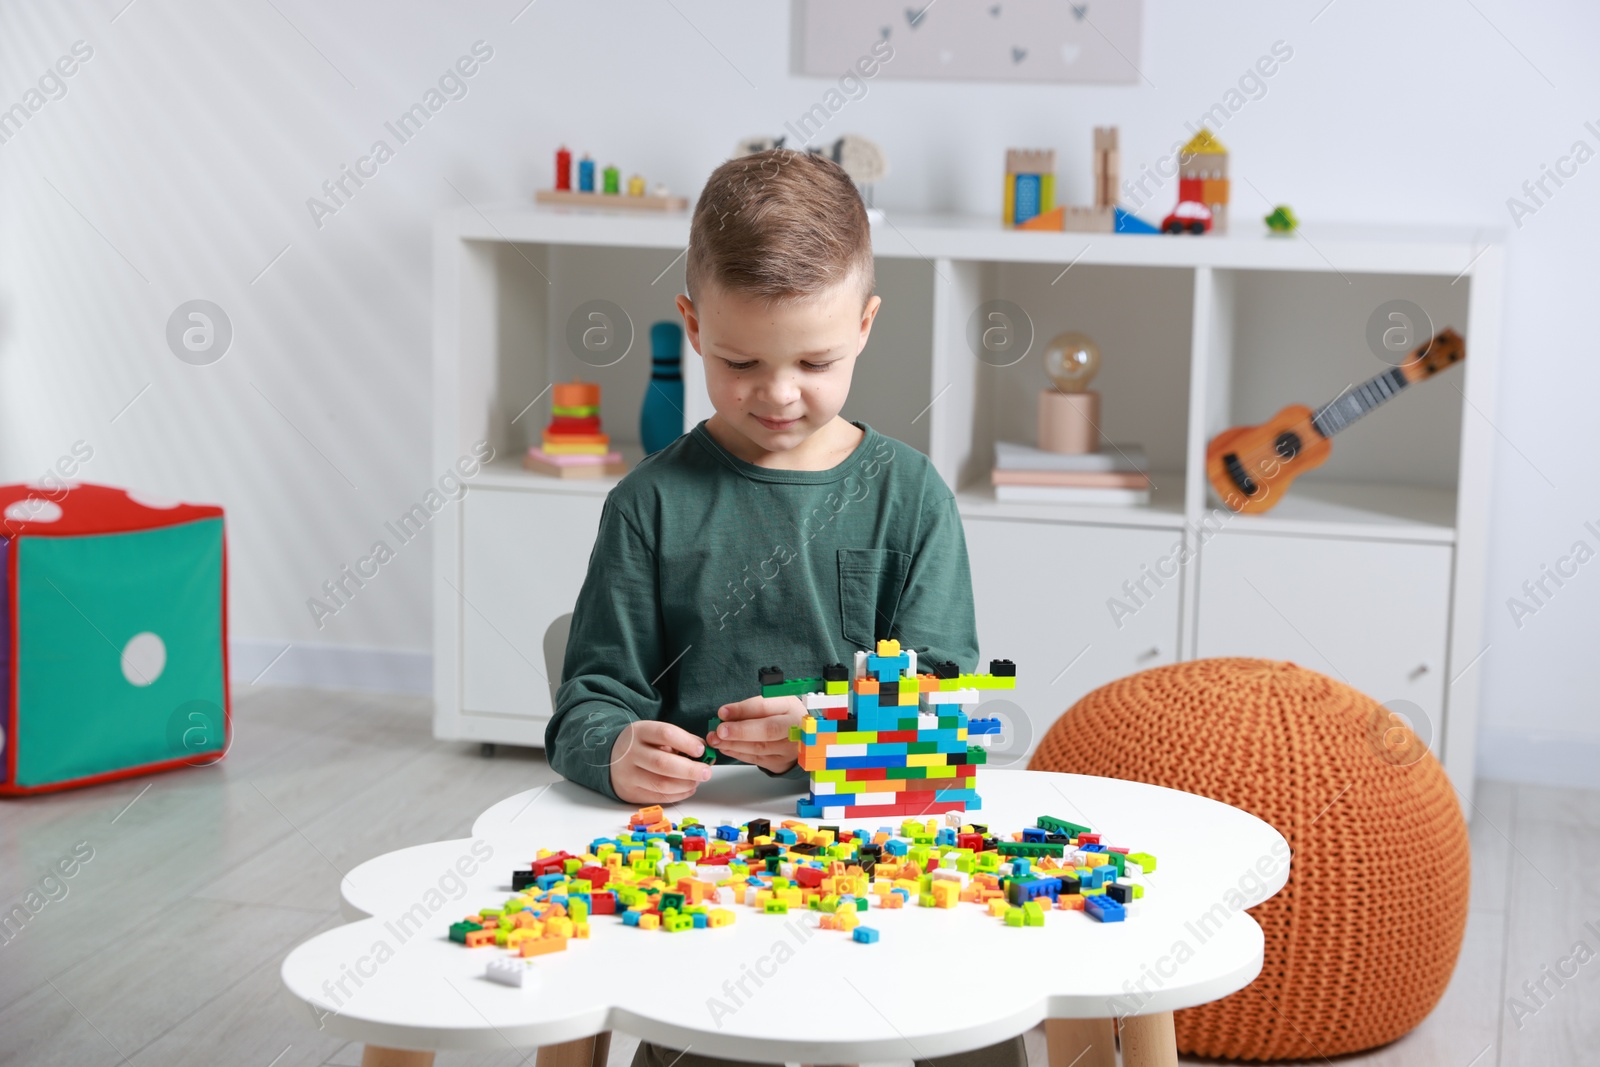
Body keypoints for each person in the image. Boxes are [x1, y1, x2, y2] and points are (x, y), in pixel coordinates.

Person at [546, 148, 1026, 1067]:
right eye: (739, 360)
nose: (776, 392)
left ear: (866, 324)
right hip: (706, 882)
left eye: (814, 359)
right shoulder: (649, 503)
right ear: (692, 325)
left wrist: (830, 737)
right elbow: (590, 695)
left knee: (973, 1031)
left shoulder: (911, 496)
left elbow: (949, 715)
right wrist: (615, 747)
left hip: (886, 858)